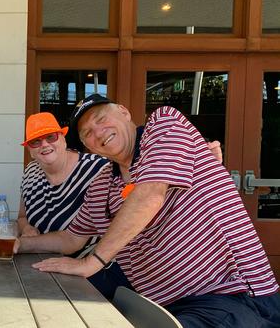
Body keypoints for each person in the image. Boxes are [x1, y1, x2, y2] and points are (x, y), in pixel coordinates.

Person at [30, 94, 280, 326]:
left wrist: (91, 262)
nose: (98, 132)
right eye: (87, 134)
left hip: (231, 296)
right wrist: (19, 244)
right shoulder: (103, 182)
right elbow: (72, 238)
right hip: (163, 305)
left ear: (123, 112)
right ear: (89, 148)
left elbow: (149, 196)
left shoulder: (164, 125)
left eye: (101, 119)